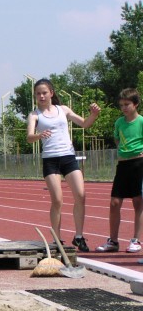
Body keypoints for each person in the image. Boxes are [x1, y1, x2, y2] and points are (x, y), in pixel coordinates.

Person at [26, 78, 100, 252]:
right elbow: (29, 137)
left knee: (81, 196)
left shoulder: (63, 110)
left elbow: (84, 124)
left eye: (44, 92)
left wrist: (94, 115)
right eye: (38, 93)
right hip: (51, 160)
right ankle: (57, 239)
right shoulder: (35, 115)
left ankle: (79, 236)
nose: (41, 96)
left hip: (68, 157)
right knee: (57, 200)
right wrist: (39, 135)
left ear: (51, 93)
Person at [96, 88, 143, 253]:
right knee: (114, 202)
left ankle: (136, 240)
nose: (124, 108)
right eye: (121, 105)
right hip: (123, 165)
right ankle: (113, 241)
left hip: (139, 164)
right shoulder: (119, 122)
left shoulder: (141, 122)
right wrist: (122, 150)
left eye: (127, 104)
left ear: (135, 104)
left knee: (138, 202)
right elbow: (117, 138)